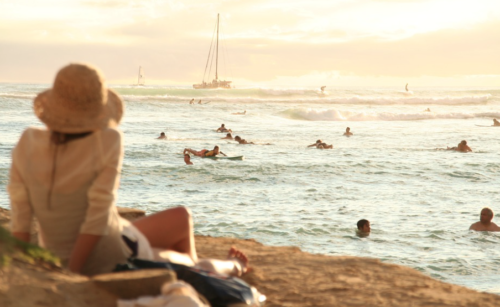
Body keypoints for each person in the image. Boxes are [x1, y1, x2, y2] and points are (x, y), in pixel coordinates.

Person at [7, 63, 248, 277]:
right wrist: (72, 274)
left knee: (181, 218)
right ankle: (232, 267)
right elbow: (96, 219)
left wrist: (26, 267)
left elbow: (21, 219)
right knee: (189, 262)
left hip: (82, 242)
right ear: (98, 107)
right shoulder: (107, 139)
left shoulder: (28, 141)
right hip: (108, 253)